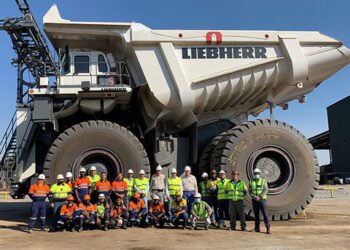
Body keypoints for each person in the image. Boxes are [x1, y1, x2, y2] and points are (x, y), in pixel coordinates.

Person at [249, 168, 270, 234]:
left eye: (257, 173)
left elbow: (265, 190)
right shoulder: (251, 181)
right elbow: (249, 191)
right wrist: (254, 196)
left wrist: (260, 196)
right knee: (256, 214)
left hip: (262, 200)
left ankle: (268, 228)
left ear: (259, 174)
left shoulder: (263, 181)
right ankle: (257, 228)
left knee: (264, 214)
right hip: (255, 200)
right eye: (255, 173)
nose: (256, 175)